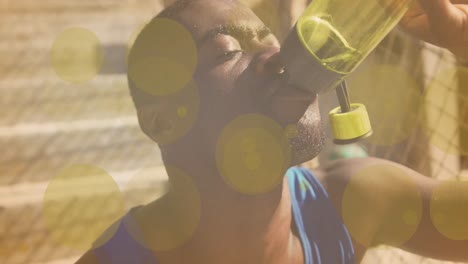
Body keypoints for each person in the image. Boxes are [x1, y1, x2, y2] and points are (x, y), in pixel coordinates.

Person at [76, 0, 468, 263]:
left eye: (273, 42)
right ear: (161, 121)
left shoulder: (347, 202)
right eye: (228, 51)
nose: (279, 58)